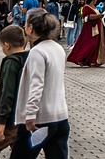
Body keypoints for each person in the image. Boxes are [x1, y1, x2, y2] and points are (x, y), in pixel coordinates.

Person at [13, 9, 69, 158]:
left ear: (30, 28)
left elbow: (36, 85)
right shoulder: (58, 48)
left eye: (25, 24)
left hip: (39, 120)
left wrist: (30, 115)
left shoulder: (37, 52)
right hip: (60, 117)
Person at [0, 24, 28, 159]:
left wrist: (1, 122)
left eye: (2, 45)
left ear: (7, 45)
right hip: (24, 118)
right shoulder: (29, 58)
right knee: (20, 153)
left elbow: (7, 93)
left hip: (9, 121)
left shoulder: (11, 63)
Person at [65, 0, 105, 68]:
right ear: (92, 0)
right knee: (90, 44)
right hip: (89, 29)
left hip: (96, 28)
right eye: (95, 0)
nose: (96, 1)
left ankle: (92, 60)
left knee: (96, 44)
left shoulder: (94, 7)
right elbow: (87, 17)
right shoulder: (86, 7)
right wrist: (98, 16)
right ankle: (79, 58)